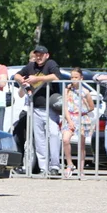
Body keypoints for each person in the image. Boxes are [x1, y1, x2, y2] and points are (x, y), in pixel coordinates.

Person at [14, 45, 62, 176]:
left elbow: (56, 76)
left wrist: (37, 78)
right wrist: (21, 80)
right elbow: (17, 75)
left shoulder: (51, 64)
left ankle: (55, 166)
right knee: (39, 139)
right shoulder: (31, 66)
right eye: (37, 54)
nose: (39, 57)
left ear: (47, 55)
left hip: (50, 108)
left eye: (41, 54)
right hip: (35, 108)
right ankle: (43, 167)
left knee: (54, 134)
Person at [62, 68, 95, 178]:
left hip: (81, 118)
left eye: (76, 77)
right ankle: (70, 164)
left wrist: (83, 110)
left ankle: (81, 170)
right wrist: (69, 120)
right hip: (70, 117)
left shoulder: (85, 92)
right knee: (66, 139)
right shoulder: (67, 90)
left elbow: (91, 107)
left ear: (81, 78)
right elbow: (65, 107)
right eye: (72, 77)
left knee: (81, 145)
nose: (74, 79)